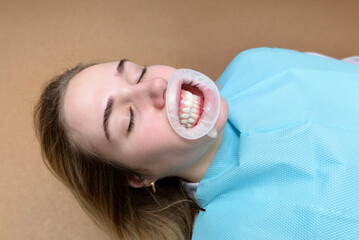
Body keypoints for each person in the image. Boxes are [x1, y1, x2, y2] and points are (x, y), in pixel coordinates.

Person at [34, 48, 359, 240]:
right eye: (129, 119)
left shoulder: (254, 64)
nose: (158, 85)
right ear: (137, 177)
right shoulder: (230, 232)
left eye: (138, 73)